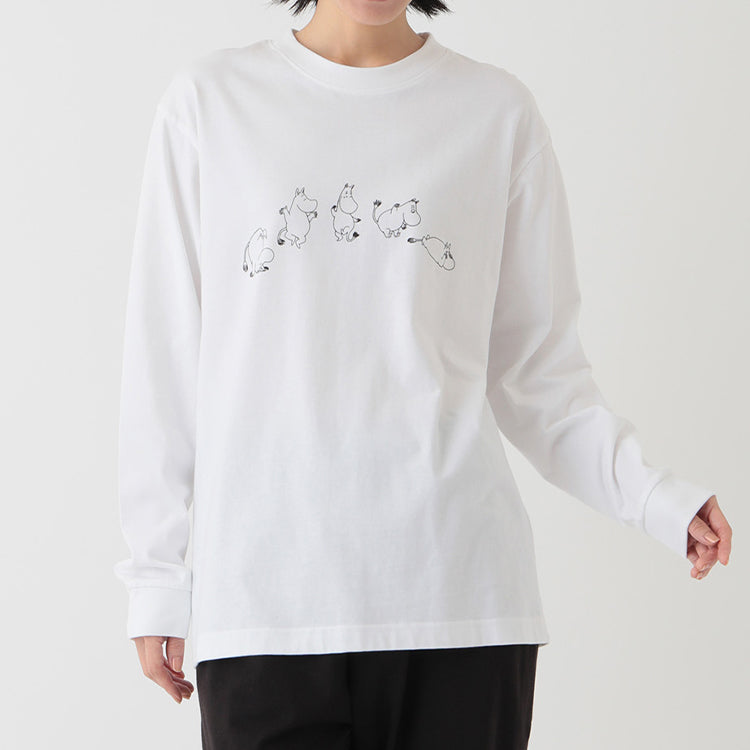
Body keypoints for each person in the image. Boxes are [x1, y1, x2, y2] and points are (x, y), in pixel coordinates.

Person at [113, 1, 733, 747]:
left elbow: (540, 375)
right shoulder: (210, 104)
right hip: (267, 613)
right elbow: (164, 360)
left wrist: (656, 498)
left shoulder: (496, 114)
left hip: (462, 611)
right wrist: (156, 575)